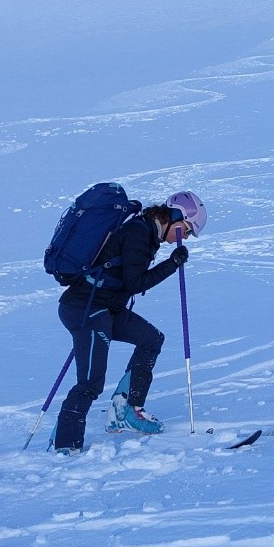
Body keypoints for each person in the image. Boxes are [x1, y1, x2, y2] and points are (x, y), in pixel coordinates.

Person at [51, 191, 207, 450]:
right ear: (175, 217)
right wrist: (171, 265)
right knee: (90, 382)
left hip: (106, 308)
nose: (185, 238)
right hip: (86, 309)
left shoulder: (148, 233)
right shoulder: (138, 232)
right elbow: (135, 283)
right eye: (187, 231)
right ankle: (64, 444)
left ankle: (125, 410)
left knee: (151, 339)